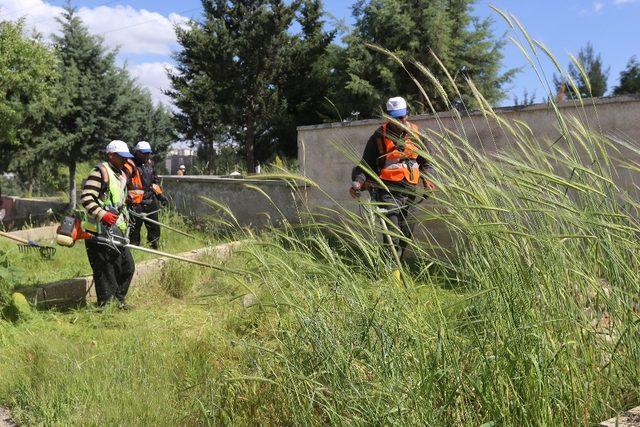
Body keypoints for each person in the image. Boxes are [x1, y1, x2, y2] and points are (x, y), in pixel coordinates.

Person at [349, 96, 436, 259]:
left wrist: (427, 179)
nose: (399, 122)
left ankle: (394, 266)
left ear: (407, 115)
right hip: (386, 192)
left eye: (402, 117)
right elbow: (364, 165)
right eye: (395, 118)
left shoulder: (417, 135)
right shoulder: (378, 137)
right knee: (392, 235)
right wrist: (357, 183)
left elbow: (426, 162)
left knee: (406, 234)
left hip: (410, 192)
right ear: (388, 117)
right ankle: (392, 275)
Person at [80, 140, 135, 308]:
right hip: (99, 230)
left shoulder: (120, 174)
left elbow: (114, 198)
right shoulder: (99, 172)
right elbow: (86, 197)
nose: (125, 160)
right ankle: (107, 306)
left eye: (126, 157)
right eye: (121, 157)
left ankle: (119, 300)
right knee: (107, 271)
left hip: (117, 229)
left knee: (127, 267)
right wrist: (102, 214)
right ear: (111, 155)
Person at [126, 141, 167, 249]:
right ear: (137, 152)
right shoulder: (129, 164)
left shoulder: (150, 163)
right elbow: (122, 183)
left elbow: (155, 181)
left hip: (150, 200)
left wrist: (160, 196)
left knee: (154, 227)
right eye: (143, 153)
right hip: (135, 203)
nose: (146, 155)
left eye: (148, 153)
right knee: (135, 228)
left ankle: (154, 246)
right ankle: (134, 249)